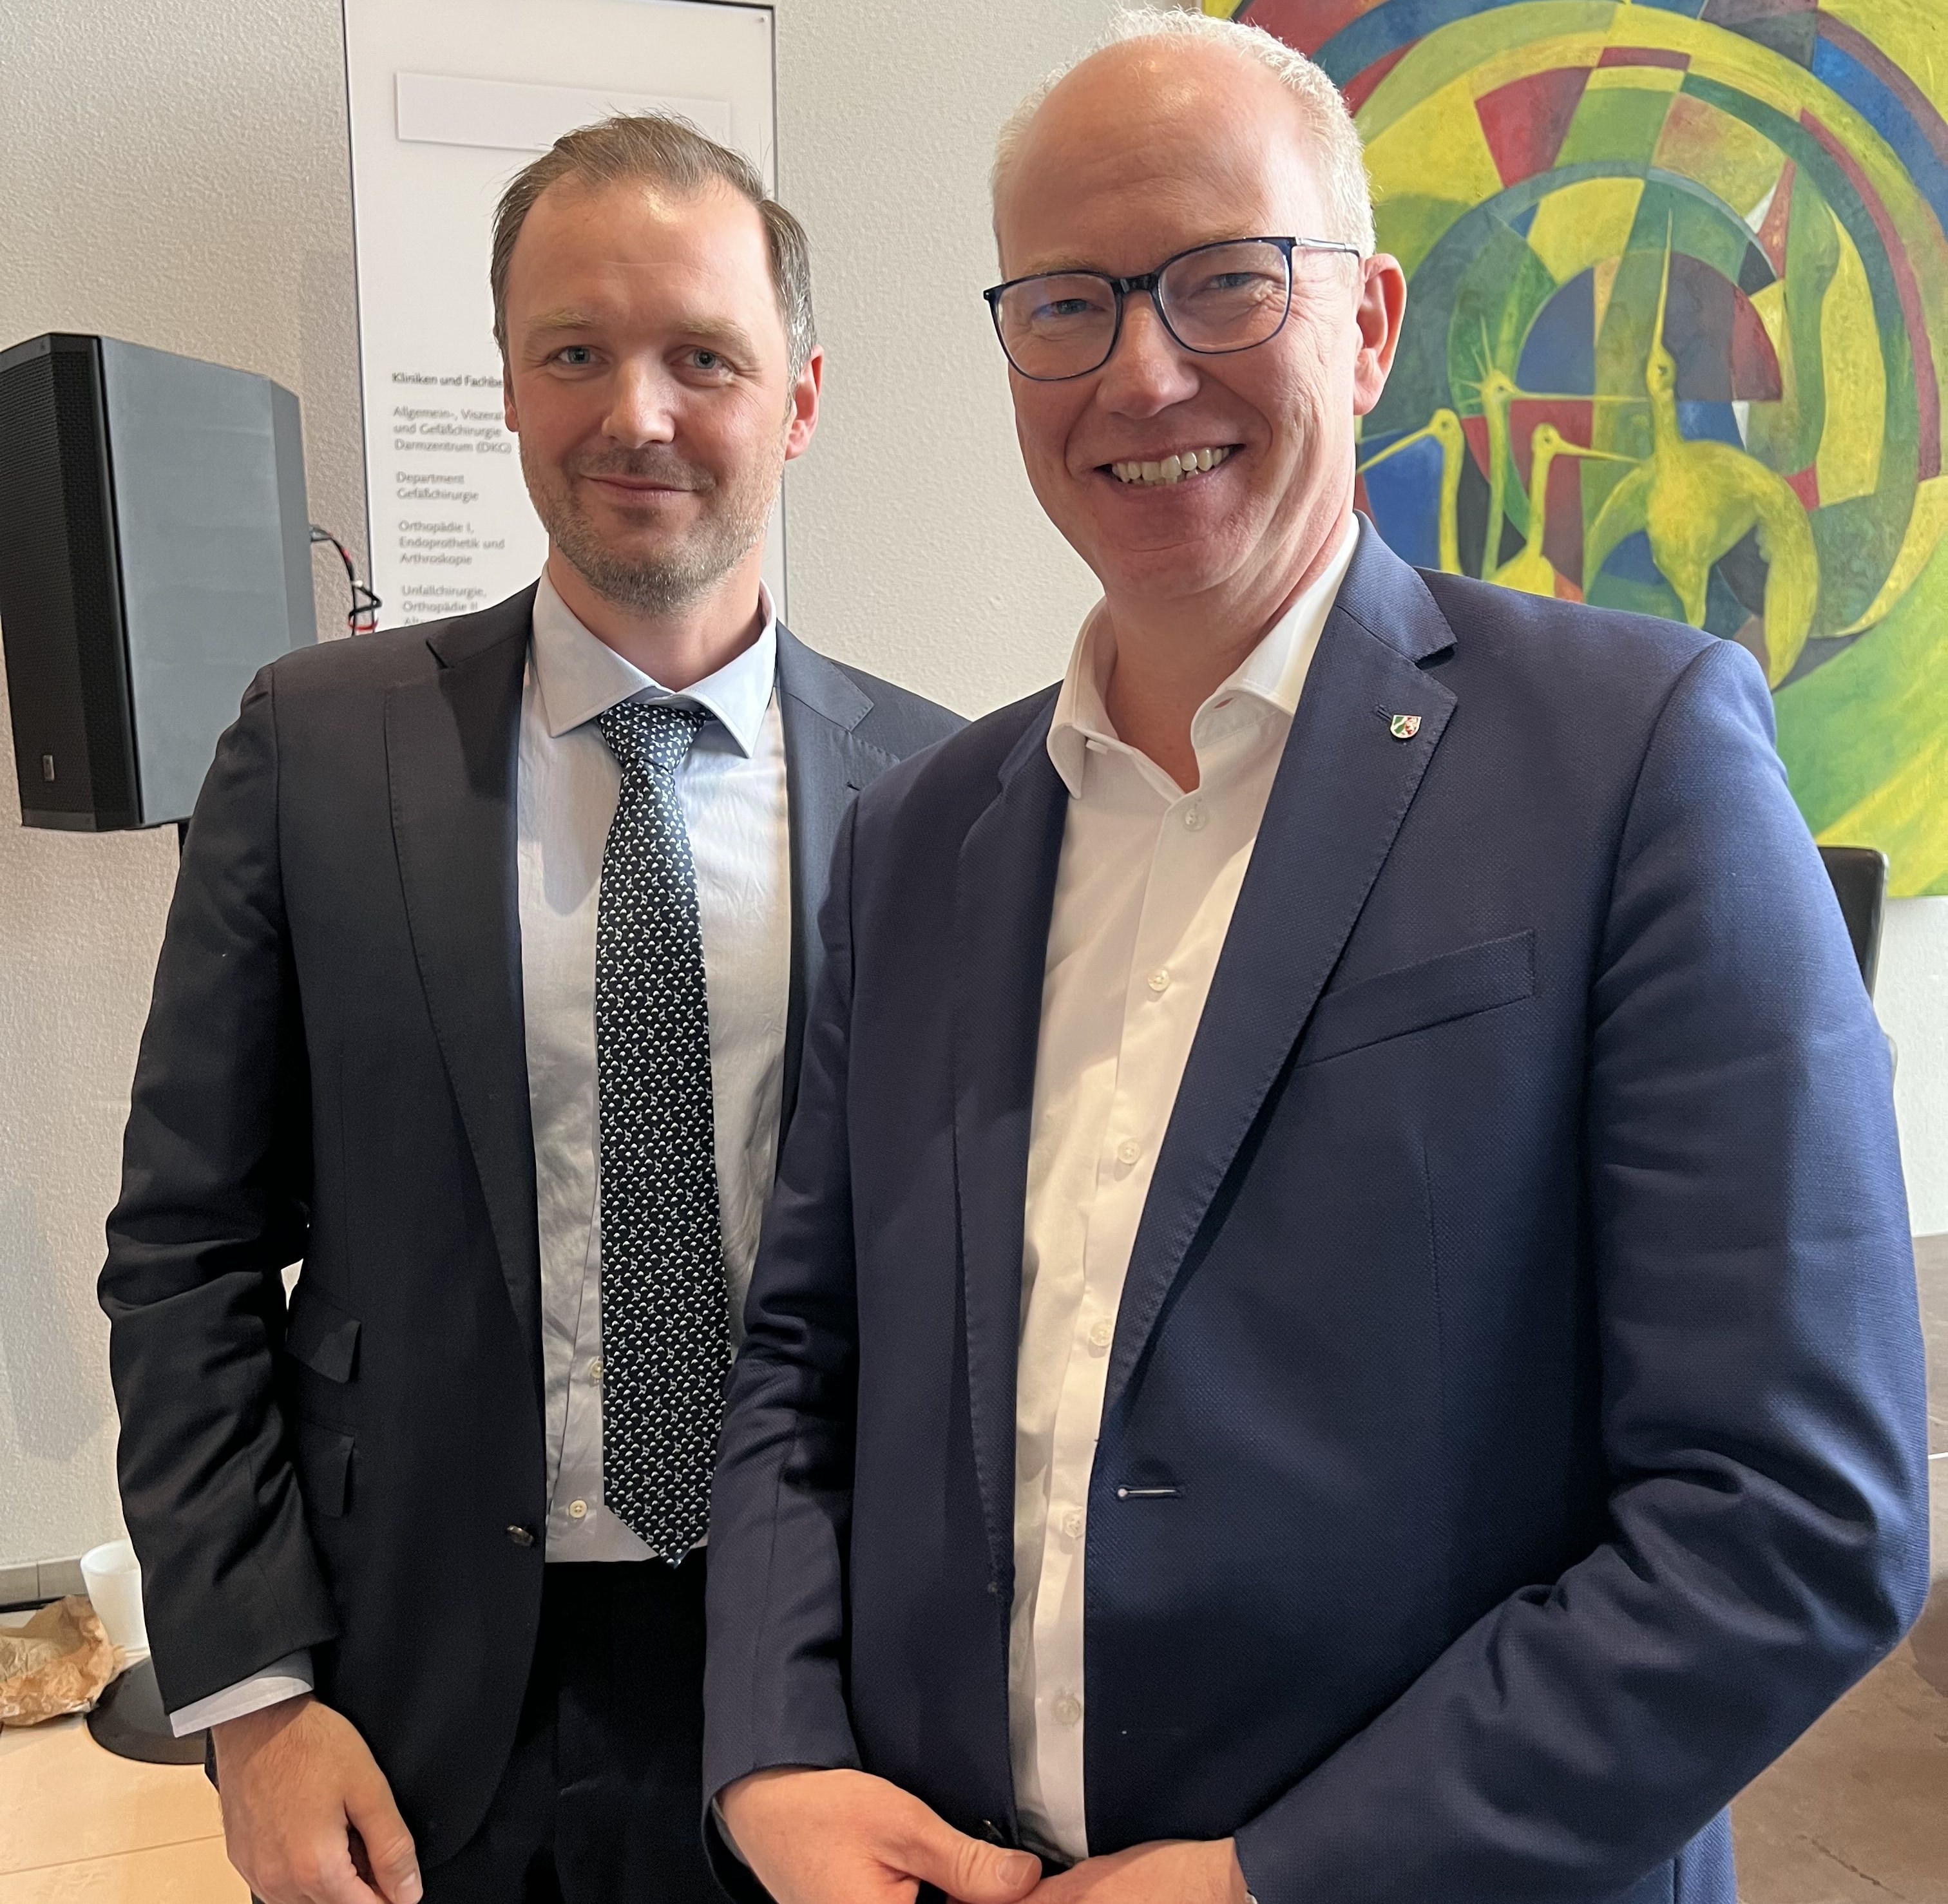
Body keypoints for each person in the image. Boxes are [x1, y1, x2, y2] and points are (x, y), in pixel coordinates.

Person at [702, 16, 1929, 1904]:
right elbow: (803, 1361)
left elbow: (1796, 1513)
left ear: (1367, 327)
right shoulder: (920, 836)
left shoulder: (1636, 758)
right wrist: (777, 1750)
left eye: (1225, 280)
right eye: (1068, 304)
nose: (1142, 369)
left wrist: (1279, 1878)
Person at [99, 112, 960, 1904]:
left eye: (703, 357)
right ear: (505, 381)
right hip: (410, 1705)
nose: (635, 414)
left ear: (800, 398)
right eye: (575, 352)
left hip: (817, 1697)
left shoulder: (942, 797)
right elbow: (185, 1250)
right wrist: (253, 1701)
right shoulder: (318, 747)